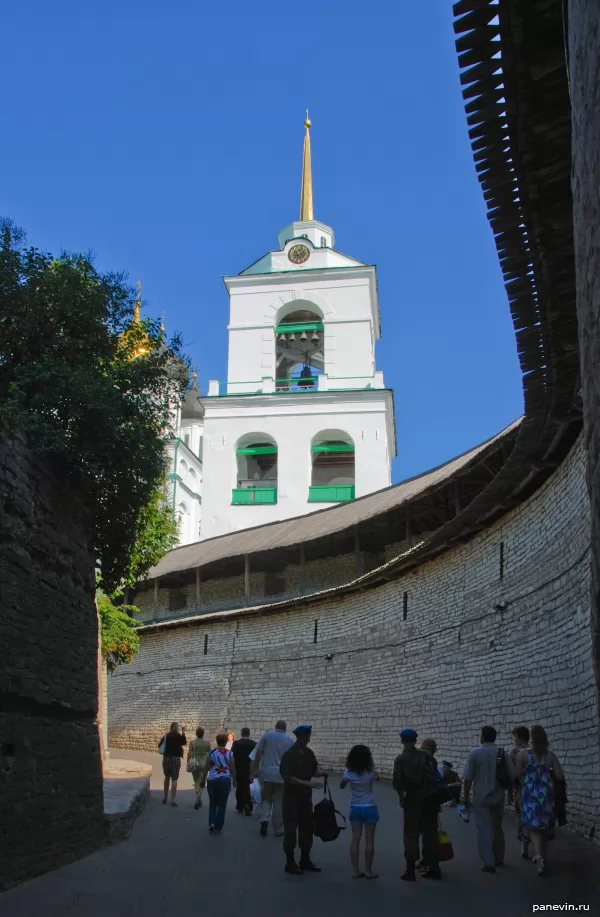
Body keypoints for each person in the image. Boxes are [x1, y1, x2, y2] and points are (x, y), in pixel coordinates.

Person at [463, 725, 515, 873]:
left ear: (482, 737)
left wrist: (466, 798)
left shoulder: (475, 753)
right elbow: (510, 775)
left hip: (481, 796)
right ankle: (499, 857)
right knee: (497, 827)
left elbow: (468, 778)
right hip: (498, 796)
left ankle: (488, 862)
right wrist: (510, 793)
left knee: (484, 828)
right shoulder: (501, 752)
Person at [516, 725, 564, 877]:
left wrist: (526, 780)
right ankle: (541, 855)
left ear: (531, 738)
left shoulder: (523, 754)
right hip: (546, 794)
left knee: (533, 827)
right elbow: (560, 776)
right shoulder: (550, 756)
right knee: (543, 827)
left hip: (530, 794)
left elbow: (517, 774)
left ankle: (540, 857)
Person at [280, 724, 327, 875]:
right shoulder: (289, 755)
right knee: (291, 830)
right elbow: (287, 777)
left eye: (309, 735)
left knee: (307, 828)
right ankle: (290, 861)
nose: (309, 738)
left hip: (305, 798)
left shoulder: (308, 753)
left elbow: (312, 771)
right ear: (299, 737)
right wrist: (308, 783)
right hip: (291, 798)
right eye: (307, 735)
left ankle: (305, 859)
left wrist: (322, 774)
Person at [392, 728, 428, 881]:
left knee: (410, 833)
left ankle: (410, 868)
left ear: (402, 741)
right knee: (428, 831)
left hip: (412, 797)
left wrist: (401, 798)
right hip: (427, 796)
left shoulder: (400, 759)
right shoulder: (424, 756)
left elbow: (398, 782)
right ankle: (431, 864)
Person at [340, 744, 380, 879]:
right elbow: (377, 778)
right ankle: (368, 871)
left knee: (355, 839)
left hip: (355, 807)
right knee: (369, 841)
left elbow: (342, 785)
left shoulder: (348, 772)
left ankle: (355, 870)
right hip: (370, 806)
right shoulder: (371, 772)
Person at [254, 719, 295, 837]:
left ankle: (264, 819)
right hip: (281, 776)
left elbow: (259, 753)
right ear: (285, 728)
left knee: (266, 798)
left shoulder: (267, 736)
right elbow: (291, 759)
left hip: (266, 774)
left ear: (275, 726)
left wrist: (256, 768)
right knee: (279, 802)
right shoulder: (290, 740)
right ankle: (277, 828)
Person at [418, 737, 445, 879]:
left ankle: (433, 866)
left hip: (428, 804)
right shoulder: (429, 762)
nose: (425, 751)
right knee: (427, 834)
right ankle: (426, 860)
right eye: (423, 748)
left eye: (428, 749)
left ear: (433, 751)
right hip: (429, 803)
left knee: (430, 835)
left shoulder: (428, 764)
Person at [202, 733, 236, 834]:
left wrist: (203, 780)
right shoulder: (230, 754)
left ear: (217, 741)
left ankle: (211, 823)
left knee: (213, 802)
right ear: (226, 742)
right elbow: (232, 768)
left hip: (212, 780)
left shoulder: (211, 753)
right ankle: (218, 827)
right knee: (222, 804)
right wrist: (234, 780)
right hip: (225, 780)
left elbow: (206, 767)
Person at [509, 726, 530, 858]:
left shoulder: (515, 752)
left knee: (520, 817)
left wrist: (509, 792)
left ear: (521, 737)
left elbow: (512, 775)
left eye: (515, 737)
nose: (514, 740)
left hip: (520, 790)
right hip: (535, 790)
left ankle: (524, 843)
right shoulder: (536, 751)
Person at [160, 721, 187, 807]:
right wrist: (183, 732)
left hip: (167, 758)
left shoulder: (167, 736)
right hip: (176, 759)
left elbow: (159, 745)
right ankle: (173, 800)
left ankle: (165, 797)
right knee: (174, 779)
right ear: (177, 728)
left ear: (171, 728)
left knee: (167, 777)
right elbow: (184, 742)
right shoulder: (179, 736)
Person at [231, 727, 256, 815]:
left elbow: (232, 756)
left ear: (241, 733)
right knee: (248, 787)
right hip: (249, 768)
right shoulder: (253, 744)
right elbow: (255, 758)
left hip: (238, 768)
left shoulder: (236, 743)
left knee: (240, 787)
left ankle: (240, 805)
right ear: (249, 734)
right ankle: (248, 804)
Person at [187, 726, 211, 809]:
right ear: (203, 734)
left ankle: (197, 799)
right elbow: (210, 754)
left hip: (195, 763)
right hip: (204, 764)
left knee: (196, 782)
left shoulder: (192, 743)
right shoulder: (207, 743)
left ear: (196, 734)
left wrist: (188, 762)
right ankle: (198, 800)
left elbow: (189, 753)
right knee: (202, 783)